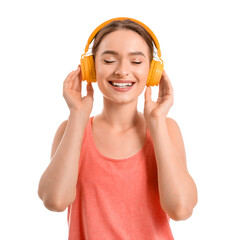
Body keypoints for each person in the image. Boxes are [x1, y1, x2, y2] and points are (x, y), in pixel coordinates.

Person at [38, 17, 198, 239]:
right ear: (91, 68)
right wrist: (78, 116)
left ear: (153, 71)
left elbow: (181, 209)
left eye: (136, 61)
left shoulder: (167, 129)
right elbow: (55, 200)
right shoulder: (71, 129)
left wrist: (157, 124)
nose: (122, 71)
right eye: (109, 60)